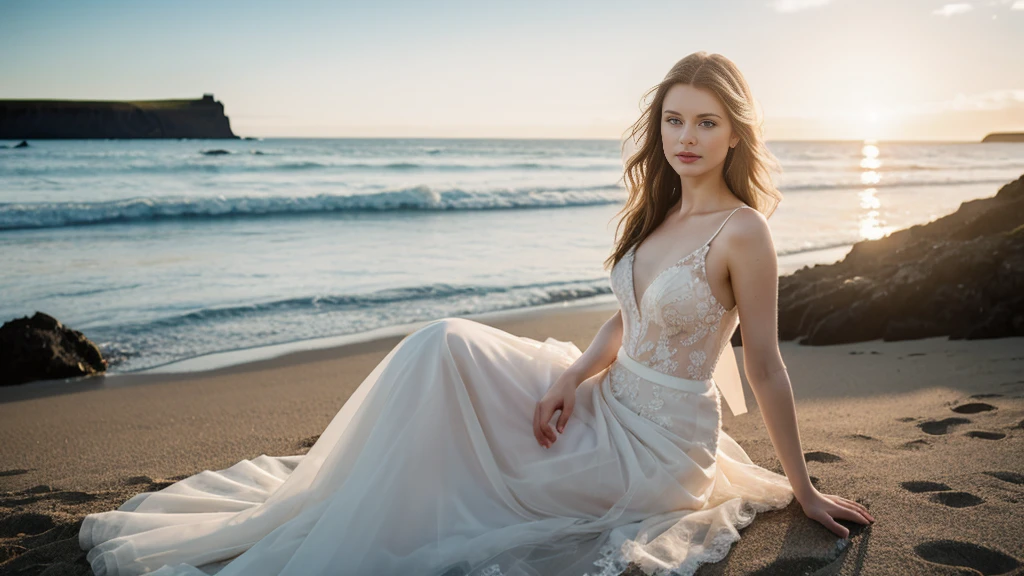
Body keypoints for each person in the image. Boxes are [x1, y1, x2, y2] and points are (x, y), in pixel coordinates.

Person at [78, 52, 874, 576]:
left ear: (735, 132)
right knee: (442, 347)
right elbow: (627, 321)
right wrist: (569, 378)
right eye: (674, 119)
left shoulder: (744, 232)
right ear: (657, 126)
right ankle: (350, 501)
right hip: (605, 395)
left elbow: (763, 365)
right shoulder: (656, 214)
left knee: (488, 481)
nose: (686, 137)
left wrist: (802, 489)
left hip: (661, 446)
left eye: (706, 122)